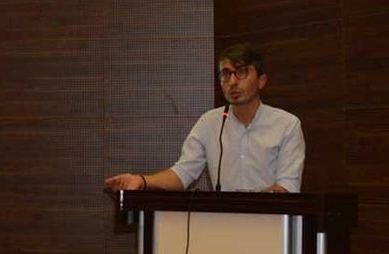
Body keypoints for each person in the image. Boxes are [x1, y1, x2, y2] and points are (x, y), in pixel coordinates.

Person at [104, 43, 305, 193]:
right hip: (221, 225)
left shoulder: (287, 125)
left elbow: (287, 185)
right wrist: (142, 181)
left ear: (261, 81)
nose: (232, 82)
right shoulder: (210, 123)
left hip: (270, 226)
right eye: (226, 74)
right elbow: (183, 174)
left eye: (241, 72)